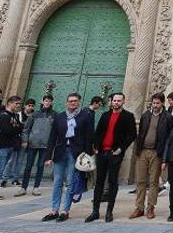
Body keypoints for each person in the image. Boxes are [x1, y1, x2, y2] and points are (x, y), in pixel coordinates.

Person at [42, 93, 94, 222]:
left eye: (75, 101)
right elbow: (52, 138)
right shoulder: (59, 117)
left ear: (79, 102)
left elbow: (89, 137)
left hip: (75, 153)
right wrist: (48, 156)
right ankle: (54, 210)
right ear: (66, 103)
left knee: (71, 181)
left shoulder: (85, 116)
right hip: (60, 152)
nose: (73, 103)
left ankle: (65, 210)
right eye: (70, 101)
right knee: (57, 181)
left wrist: (87, 155)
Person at [86, 92, 136, 223]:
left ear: (123, 102)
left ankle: (109, 211)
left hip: (115, 153)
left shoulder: (128, 116)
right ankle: (95, 211)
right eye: (115, 100)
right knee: (99, 182)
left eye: (119, 101)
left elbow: (131, 135)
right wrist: (96, 147)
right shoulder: (105, 115)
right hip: (102, 152)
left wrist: (121, 148)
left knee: (113, 182)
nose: (116, 103)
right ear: (111, 101)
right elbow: (98, 132)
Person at [130, 93, 173, 220]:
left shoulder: (168, 117)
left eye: (157, 103)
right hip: (143, 151)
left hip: (157, 152)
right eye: (153, 103)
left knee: (154, 181)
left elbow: (169, 138)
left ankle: (150, 207)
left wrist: (165, 157)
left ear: (162, 104)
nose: (155, 105)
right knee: (141, 180)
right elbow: (141, 132)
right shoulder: (145, 116)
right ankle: (139, 207)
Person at [17, 94, 55, 196]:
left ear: (52, 102)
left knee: (40, 166)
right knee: (28, 166)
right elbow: (26, 129)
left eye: (49, 101)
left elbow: (55, 131)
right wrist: (25, 140)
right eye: (46, 101)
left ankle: (36, 187)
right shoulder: (34, 114)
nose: (47, 102)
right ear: (42, 102)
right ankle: (23, 188)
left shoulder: (54, 115)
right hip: (32, 144)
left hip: (45, 145)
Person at [0, 98, 31, 188]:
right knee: (10, 161)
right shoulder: (16, 115)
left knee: (19, 161)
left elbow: (22, 127)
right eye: (17, 103)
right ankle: (4, 179)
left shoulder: (32, 115)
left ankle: (15, 178)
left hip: (23, 140)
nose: (18, 105)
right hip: (14, 141)